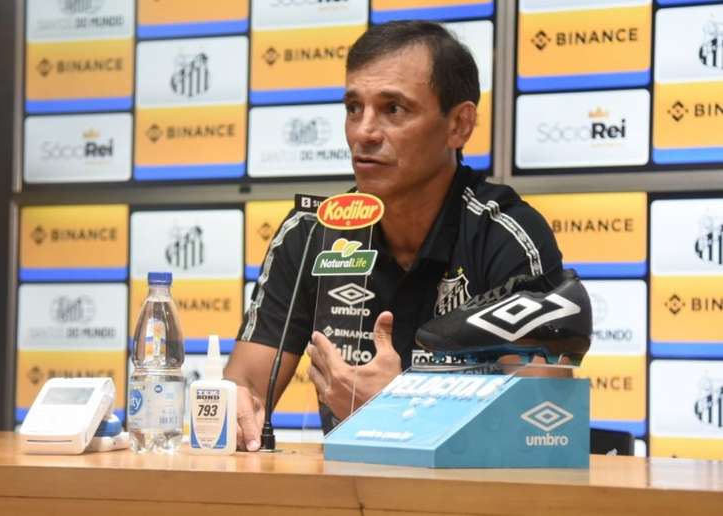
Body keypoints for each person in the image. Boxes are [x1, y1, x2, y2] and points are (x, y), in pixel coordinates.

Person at [224, 21, 564, 451]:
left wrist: (407, 408)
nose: (363, 132)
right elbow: (246, 389)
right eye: (353, 108)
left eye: (393, 109)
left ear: (459, 125)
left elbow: (544, 422)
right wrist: (235, 408)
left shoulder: (506, 236)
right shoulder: (313, 233)